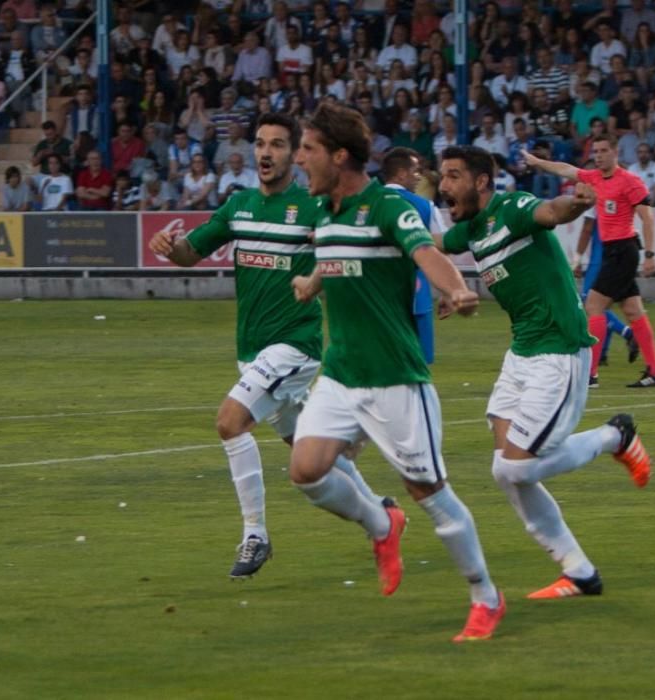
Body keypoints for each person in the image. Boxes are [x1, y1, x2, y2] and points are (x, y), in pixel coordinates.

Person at [290, 103, 505, 643]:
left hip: (394, 378)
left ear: (340, 156)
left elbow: (425, 251)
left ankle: (485, 595)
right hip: (341, 374)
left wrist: (454, 288)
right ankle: (382, 527)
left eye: (308, 149)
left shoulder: (389, 205)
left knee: (429, 490)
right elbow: (336, 258)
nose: (299, 158)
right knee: (306, 470)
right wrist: (314, 282)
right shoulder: (325, 210)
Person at [150, 112, 384, 579]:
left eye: (277, 145)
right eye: (260, 144)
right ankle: (381, 511)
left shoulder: (314, 206)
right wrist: (167, 245)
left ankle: (254, 534)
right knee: (307, 449)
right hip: (252, 350)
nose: (265, 153)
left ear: (296, 155)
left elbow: (352, 249)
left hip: (294, 346)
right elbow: (189, 254)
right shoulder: (238, 206)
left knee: (230, 422)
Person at [436, 144, 651, 601]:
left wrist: (575, 202)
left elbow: (551, 211)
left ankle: (616, 437)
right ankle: (579, 571)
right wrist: (450, 288)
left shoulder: (513, 207)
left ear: (480, 181)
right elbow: (432, 247)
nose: (443, 186)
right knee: (505, 470)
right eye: (442, 176)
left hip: (558, 349)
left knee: (519, 466)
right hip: (522, 353)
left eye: (453, 176)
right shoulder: (471, 228)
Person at [524, 136, 655, 388]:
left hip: (625, 250)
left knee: (593, 306)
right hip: (613, 251)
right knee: (632, 311)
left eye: (603, 151)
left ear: (615, 152)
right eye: (596, 151)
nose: (598, 156)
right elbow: (565, 169)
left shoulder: (630, 181)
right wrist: (537, 162)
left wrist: (651, 255)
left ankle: (590, 375)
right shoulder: (594, 178)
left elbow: (648, 218)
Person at [380, 147, 446, 364]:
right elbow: (440, 248)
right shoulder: (426, 206)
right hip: (416, 293)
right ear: (401, 173)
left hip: (374, 293)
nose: (419, 176)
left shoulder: (367, 202)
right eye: (415, 171)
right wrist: (447, 291)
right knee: (419, 363)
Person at [573, 206, 639, 367]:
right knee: (601, 305)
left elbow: (587, 229)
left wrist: (577, 258)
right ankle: (602, 354)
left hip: (601, 255)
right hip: (622, 252)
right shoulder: (616, 190)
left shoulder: (597, 194)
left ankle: (628, 333)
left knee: (589, 301)